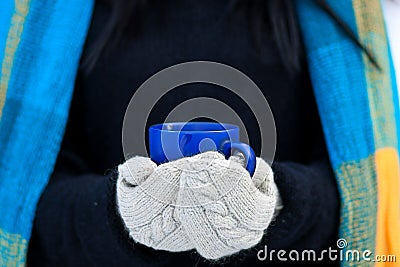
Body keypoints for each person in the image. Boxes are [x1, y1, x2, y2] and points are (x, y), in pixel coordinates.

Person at [0, 0, 398, 266]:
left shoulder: (342, 13)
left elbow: (364, 201)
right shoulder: (39, 18)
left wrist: (276, 204)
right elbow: (22, 205)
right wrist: (119, 211)